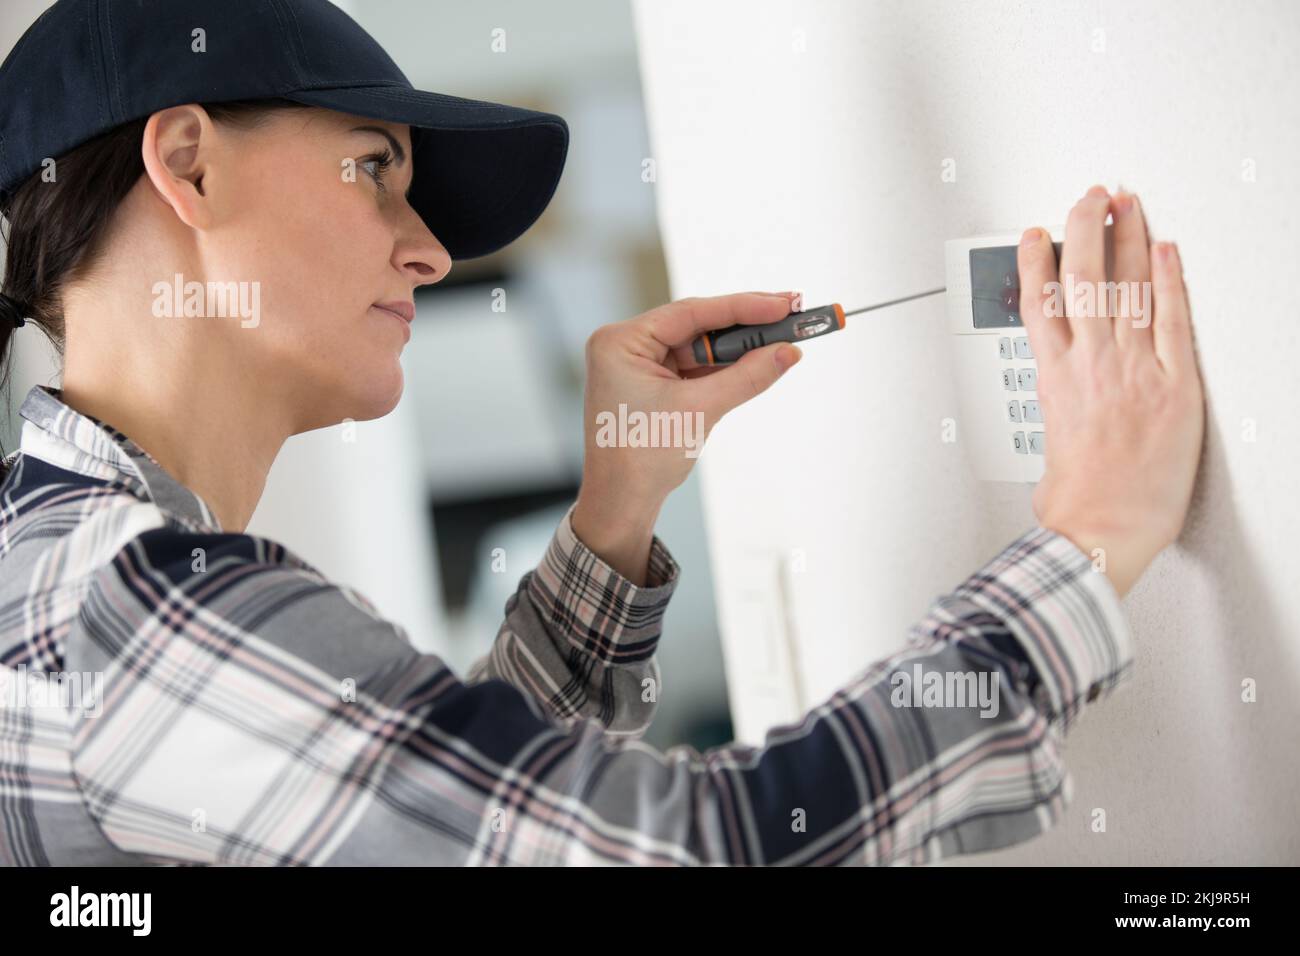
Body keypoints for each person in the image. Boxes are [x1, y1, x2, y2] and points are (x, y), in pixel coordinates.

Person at [0, 0, 1203, 866]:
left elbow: (438, 819)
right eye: (374, 168)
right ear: (189, 166)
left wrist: (613, 517)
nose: (426, 249)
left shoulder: (52, 576)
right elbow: (694, 843)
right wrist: (1088, 538)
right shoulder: (132, 608)